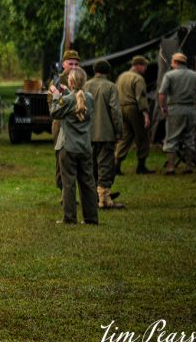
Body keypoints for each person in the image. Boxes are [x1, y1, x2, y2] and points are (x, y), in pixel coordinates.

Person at [51, 66, 98, 225]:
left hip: (68, 146)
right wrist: (67, 93)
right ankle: (91, 217)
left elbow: (55, 113)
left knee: (68, 183)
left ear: (70, 82)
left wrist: (57, 96)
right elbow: (78, 101)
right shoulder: (90, 98)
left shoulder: (68, 100)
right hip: (85, 146)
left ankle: (69, 218)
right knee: (88, 183)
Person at [157, 52, 196, 174]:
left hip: (175, 109)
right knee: (189, 137)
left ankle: (171, 167)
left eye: (172, 62)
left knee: (172, 138)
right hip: (191, 110)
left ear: (175, 62)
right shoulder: (195, 75)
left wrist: (163, 107)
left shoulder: (169, 75)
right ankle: (189, 166)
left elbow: (162, 93)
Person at [88, 60, 124, 209]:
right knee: (105, 166)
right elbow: (115, 111)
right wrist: (119, 132)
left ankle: (92, 197)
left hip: (87, 133)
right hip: (105, 133)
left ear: (95, 70)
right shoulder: (110, 86)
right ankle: (104, 200)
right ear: (108, 72)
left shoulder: (85, 85)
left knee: (91, 166)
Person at [50, 49, 82, 193]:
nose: (74, 67)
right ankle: (63, 190)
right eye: (71, 63)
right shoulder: (58, 81)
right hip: (61, 122)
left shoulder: (81, 79)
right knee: (61, 156)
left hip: (77, 122)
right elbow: (52, 105)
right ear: (64, 64)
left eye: (76, 64)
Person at [115, 56, 153, 174]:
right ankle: (141, 166)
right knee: (142, 136)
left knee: (126, 136)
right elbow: (140, 98)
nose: (145, 68)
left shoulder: (121, 76)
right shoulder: (138, 78)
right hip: (133, 109)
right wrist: (146, 115)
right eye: (144, 65)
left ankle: (117, 165)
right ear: (138, 65)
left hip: (121, 108)